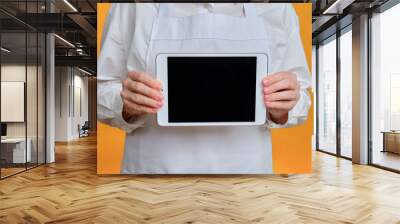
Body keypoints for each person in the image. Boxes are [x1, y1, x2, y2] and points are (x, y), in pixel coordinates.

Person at [98, 3, 311, 174]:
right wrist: (126, 105)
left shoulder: (278, 9)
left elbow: (301, 97)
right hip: (152, 175)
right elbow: (102, 91)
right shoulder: (132, 7)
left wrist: (284, 106)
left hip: (246, 176)